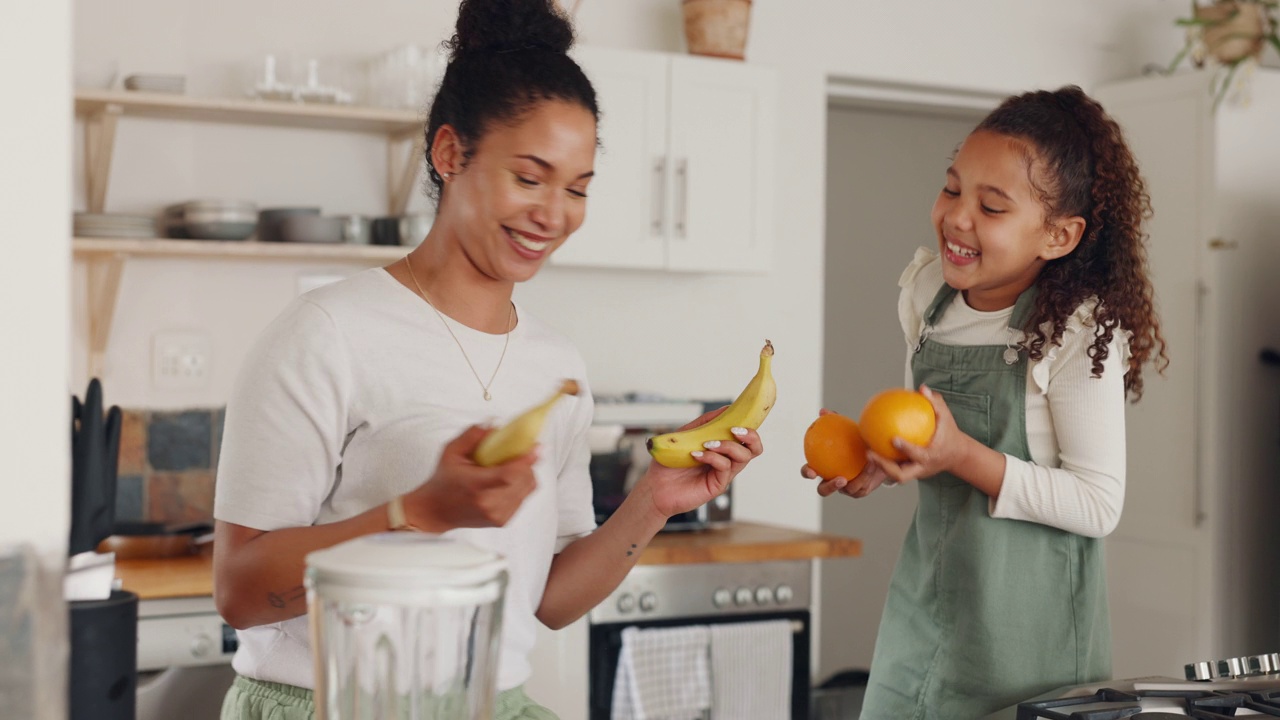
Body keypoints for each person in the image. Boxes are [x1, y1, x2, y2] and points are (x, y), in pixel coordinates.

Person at [211, 2, 763, 718]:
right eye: (530, 178)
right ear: (450, 153)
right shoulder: (325, 334)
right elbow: (239, 593)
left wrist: (653, 500)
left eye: (578, 188)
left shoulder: (555, 367)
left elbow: (549, 602)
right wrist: (414, 512)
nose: (554, 214)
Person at [802, 86, 1167, 719]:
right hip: (930, 606)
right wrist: (882, 462)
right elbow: (925, 436)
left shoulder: (1075, 331)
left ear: (1058, 235)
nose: (957, 217)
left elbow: (1098, 503)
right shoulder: (927, 297)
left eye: (991, 206)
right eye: (952, 188)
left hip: (1029, 640)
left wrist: (960, 454)